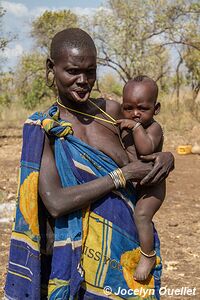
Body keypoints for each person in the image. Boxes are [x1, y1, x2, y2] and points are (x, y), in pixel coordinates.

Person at [5, 28, 174, 300]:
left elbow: (144, 155)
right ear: (52, 67)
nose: (83, 81)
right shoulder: (44, 128)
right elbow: (55, 202)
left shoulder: (113, 112)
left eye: (91, 71)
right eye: (72, 71)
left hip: (127, 250)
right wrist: (121, 175)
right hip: (75, 262)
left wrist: (166, 156)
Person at [117, 76, 165, 281]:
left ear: (156, 109)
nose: (135, 114)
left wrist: (135, 128)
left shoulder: (153, 128)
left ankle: (148, 256)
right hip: (134, 184)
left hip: (152, 187)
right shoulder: (124, 125)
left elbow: (146, 149)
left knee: (142, 216)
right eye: (128, 108)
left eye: (142, 109)